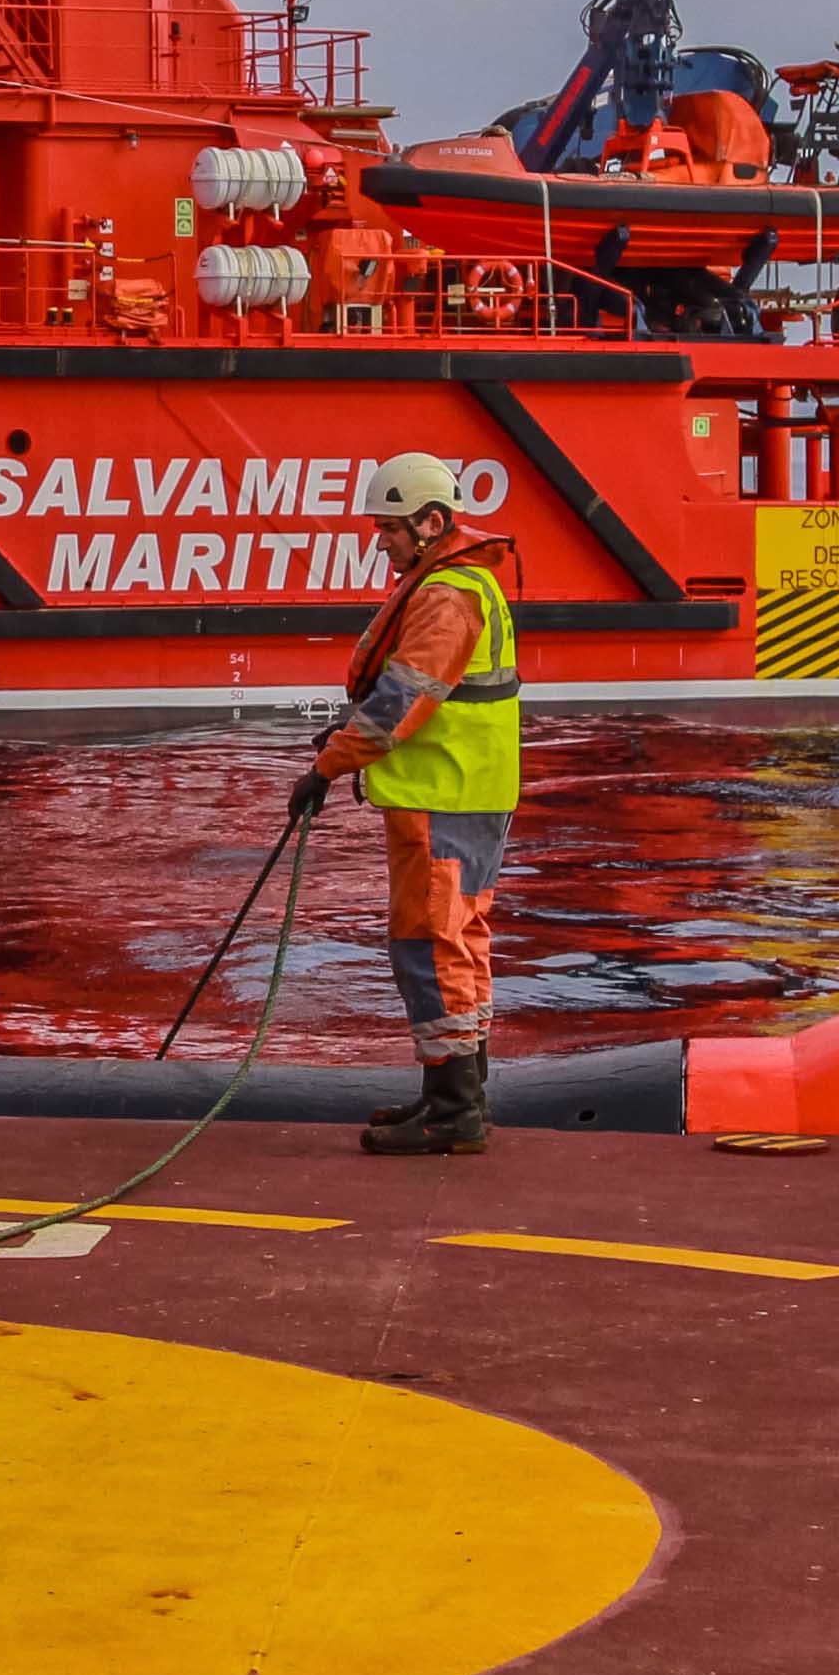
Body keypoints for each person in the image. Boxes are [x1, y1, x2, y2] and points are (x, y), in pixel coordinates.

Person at [294, 452, 523, 1158]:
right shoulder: (464, 585)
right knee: (459, 941)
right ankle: (453, 1093)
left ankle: (455, 1111)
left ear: (430, 523)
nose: (380, 541)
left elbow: (401, 703)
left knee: (430, 945)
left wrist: (325, 768)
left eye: (389, 528)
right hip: (466, 791)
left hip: (443, 797)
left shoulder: (446, 595)